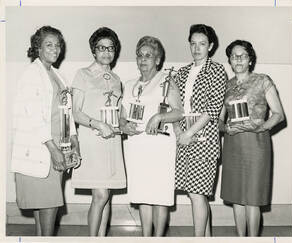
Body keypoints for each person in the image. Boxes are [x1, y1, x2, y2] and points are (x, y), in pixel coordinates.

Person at [11, 26, 80, 236]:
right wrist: (53, 149)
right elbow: (34, 117)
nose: (55, 49)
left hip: (58, 146)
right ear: (37, 48)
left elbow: (65, 112)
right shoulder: (31, 74)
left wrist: (74, 140)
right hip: (42, 149)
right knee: (49, 205)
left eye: (57, 45)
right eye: (48, 44)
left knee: (46, 207)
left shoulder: (57, 75)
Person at [219, 40, 285, 236]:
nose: (238, 59)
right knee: (237, 196)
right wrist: (226, 128)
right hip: (233, 144)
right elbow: (219, 120)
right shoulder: (227, 85)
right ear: (229, 61)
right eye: (233, 56)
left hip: (256, 145)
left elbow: (278, 114)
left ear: (250, 59)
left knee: (252, 198)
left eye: (243, 55)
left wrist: (260, 127)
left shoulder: (263, 80)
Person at [121, 36, 183, 236]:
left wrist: (158, 117)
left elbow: (178, 112)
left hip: (160, 146)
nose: (143, 59)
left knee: (160, 195)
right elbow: (122, 117)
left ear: (157, 60)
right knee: (143, 194)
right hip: (137, 145)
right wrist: (124, 126)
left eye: (148, 55)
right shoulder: (130, 84)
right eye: (140, 55)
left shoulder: (166, 80)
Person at [70, 27, 126, 236]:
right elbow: (75, 112)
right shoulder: (82, 74)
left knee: (107, 194)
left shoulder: (116, 79)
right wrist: (97, 124)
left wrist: (124, 123)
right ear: (94, 51)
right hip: (92, 140)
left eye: (111, 48)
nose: (106, 52)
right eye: (101, 48)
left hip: (112, 142)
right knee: (100, 195)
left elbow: (118, 111)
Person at [174, 24, 227, 237]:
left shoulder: (216, 70)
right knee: (195, 194)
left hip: (203, 138)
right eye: (193, 44)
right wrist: (179, 131)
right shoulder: (182, 72)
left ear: (211, 46)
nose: (197, 48)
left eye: (202, 44)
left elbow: (213, 109)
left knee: (197, 193)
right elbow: (175, 106)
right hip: (184, 136)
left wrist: (189, 133)